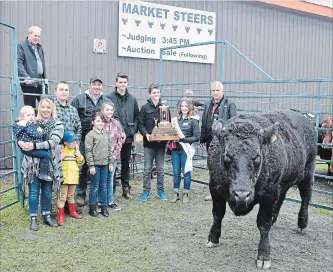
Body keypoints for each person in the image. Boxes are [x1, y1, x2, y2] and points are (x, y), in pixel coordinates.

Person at [18, 98, 64, 231]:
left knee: (47, 192)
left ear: (52, 109)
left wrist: (33, 145)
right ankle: (33, 218)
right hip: (32, 164)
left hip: (49, 163)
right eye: (43, 107)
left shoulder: (58, 124)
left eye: (48, 107)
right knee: (33, 191)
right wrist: (20, 142)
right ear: (39, 108)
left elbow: (54, 142)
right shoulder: (31, 121)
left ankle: (46, 215)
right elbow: (20, 133)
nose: (45, 110)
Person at [71, 76, 111, 208]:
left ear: (102, 87)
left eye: (99, 85)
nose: (97, 87)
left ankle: (98, 195)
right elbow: (73, 117)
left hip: (100, 140)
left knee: (98, 165)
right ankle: (81, 194)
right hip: (83, 139)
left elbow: (112, 117)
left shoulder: (106, 100)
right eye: (94, 84)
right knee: (83, 165)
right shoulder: (80, 99)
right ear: (89, 85)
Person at [200, 81, 237, 201]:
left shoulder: (230, 104)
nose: (215, 93)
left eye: (217, 90)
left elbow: (234, 122)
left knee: (225, 165)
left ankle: (228, 190)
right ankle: (214, 192)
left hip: (223, 141)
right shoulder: (208, 104)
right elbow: (205, 122)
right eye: (213, 90)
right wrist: (203, 138)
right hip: (211, 140)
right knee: (212, 166)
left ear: (222, 91)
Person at [106, 72, 139, 199]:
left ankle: (126, 187)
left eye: (124, 82)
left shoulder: (133, 99)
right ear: (116, 83)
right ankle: (111, 188)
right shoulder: (108, 98)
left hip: (128, 137)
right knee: (112, 162)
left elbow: (137, 117)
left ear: (127, 83)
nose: (122, 85)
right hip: (113, 138)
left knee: (126, 163)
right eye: (120, 82)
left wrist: (132, 130)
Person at [138, 83, 170, 201]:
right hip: (149, 144)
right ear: (150, 94)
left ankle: (161, 191)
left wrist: (164, 137)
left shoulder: (164, 108)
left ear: (160, 93)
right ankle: (146, 191)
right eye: (154, 92)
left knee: (160, 169)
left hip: (161, 144)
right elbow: (140, 124)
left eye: (158, 92)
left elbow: (168, 124)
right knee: (147, 169)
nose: (156, 94)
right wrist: (146, 134)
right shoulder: (145, 108)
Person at [169, 98, 199, 204]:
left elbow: (196, 137)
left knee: (186, 173)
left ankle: (186, 193)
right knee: (176, 173)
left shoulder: (194, 120)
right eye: (182, 106)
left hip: (186, 150)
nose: (184, 108)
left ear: (190, 107)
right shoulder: (176, 119)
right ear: (179, 108)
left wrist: (182, 139)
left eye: (186, 106)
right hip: (175, 150)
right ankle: (176, 193)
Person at [85, 112, 113, 217]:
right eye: (98, 121)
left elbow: (109, 149)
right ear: (93, 122)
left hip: (105, 164)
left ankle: (103, 207)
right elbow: (88, 151)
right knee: (94, 186)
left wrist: (110, 162)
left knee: (103, 186)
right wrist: (91, 165)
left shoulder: (106, 134)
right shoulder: (90, 135)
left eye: (102, 121)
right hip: (95, 166)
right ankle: (92, 207)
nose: (100, 123)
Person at [13, 105, 52, 182]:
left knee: (44, 154)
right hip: (30, 148)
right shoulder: (28, 125)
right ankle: (43, 173)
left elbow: (17, 135)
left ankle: (41, 170)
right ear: (22, 117)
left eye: (32, 115)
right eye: (28, 115)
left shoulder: (19, 125)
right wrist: (41, 132)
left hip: (27, 147)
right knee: (46, 155)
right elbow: (34, 134)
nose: (31, 117)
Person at [57, 131, 85, 226]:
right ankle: (60, 216)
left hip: (73, 178)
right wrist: (60, 157)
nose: (74, 143)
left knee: (71, 196)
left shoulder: (75, 152)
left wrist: (79, 156)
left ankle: (72, 212)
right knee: (63, 197)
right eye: (71, 141)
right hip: (64, 179)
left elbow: (81, 164)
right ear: (65, 143)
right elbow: (56, 164)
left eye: (75, 141)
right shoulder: (62, 151)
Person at [100, 102, 123, 211]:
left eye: (111, 110)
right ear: (102, 110)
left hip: (112, 158)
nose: (109, 112)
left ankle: (110, 200)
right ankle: (100, 201)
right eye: (107, 109)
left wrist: (114, 156)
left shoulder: (116, 124)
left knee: (110, 179)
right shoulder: (99, 123)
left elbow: (120, 140)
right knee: (101, 180)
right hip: (101, 157)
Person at [18, 26, 48, 109]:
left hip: (41, 81)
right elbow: (19, 64)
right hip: (29, 82)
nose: (37, 38)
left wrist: (45, 80)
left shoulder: (39, 47)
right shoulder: (21, 46)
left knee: (47, 105)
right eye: (35, 36)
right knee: (31, 108)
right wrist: (26, 77)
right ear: (29, 34)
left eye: (39, 36)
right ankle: (32, 122)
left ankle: (43, 122)